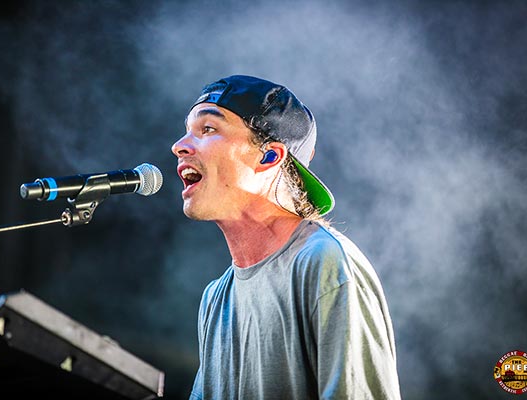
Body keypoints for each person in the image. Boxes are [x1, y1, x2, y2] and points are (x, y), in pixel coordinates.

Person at [172, 75, 401, 400]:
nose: (178, 146)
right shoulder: (215, 298)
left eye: (208, 128)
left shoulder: (324, 262)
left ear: (268, 157)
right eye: (187, 130)